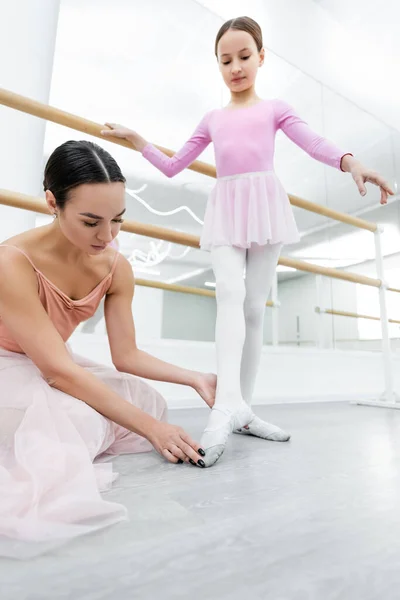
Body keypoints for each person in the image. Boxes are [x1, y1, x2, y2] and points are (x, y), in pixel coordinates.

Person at [101, 16, 394, 467]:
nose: (235, 66)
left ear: (260, 57)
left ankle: (242, 409)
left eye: (243, 57)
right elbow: (175, 165)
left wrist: (349, 162)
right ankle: (224, 407)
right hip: (228, 207)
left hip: (266, 204)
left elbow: (311, 141)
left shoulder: (274, 108)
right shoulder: (213, 118)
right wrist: (140, 140)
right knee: (230, 294)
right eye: (225, 60)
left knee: (255, 308)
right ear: (217, 65)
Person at [0, 140, 216, 558]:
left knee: (147, 401)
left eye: (117, 220)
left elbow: (127, 356)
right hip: (13, 361)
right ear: (52, 202)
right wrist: (152, 432)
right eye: (91, 221)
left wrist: (194, 377)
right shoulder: (11, 261)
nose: (107, 235)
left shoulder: (116, 266)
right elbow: (57, 371)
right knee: (79, 417)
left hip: (51, 359)